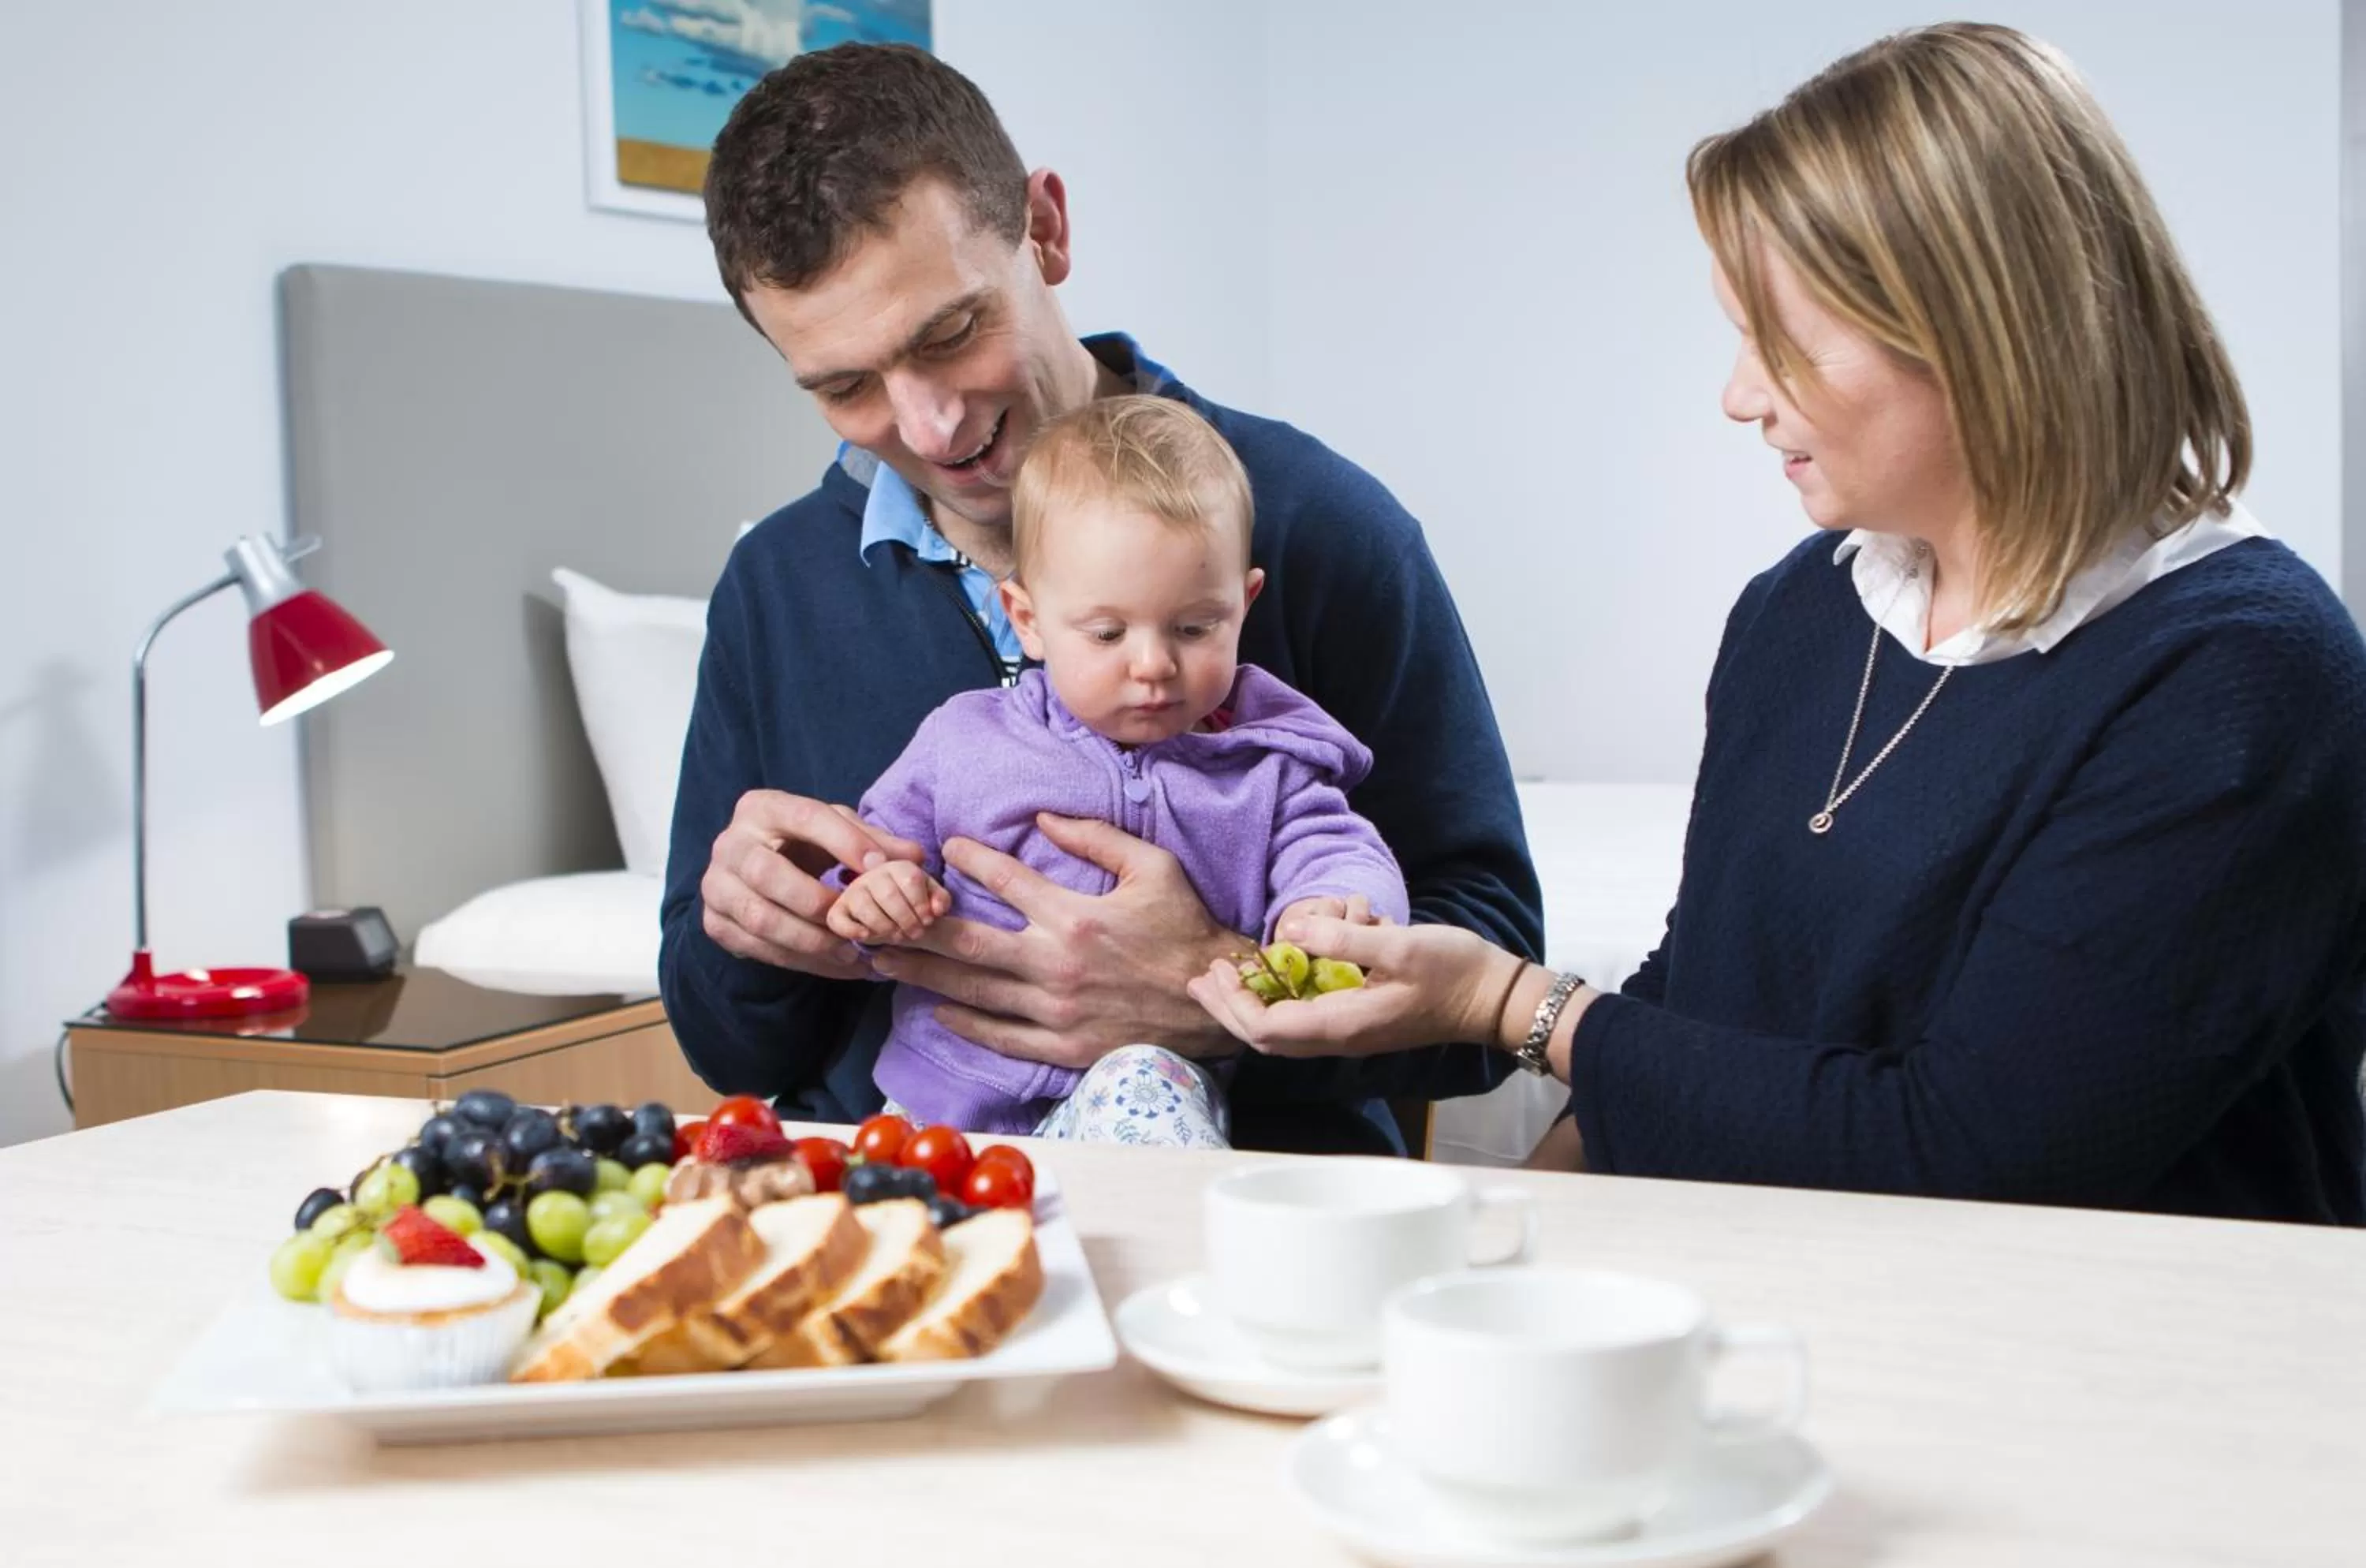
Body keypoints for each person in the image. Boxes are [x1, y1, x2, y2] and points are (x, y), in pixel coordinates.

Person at [1189, 22, 2366, 1225]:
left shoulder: (2243, 678)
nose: (1739, 396)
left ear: (1986, 331)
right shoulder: (1801, 610)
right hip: (1791, 1315)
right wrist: (1510, 1246)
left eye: (1785, 344)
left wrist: (1510, 1008)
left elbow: (1973, 1153)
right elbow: (1701, 1004)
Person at [660, 43, 1541, 1155]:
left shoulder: (1321, 524)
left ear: (1047, 230)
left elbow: (1496, 967)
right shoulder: (776, 587)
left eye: (949, 334)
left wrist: (1216, 988)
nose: (930, 427)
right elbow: (732, 1050)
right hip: (907, 1212)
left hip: (1245, 1222)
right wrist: (746, 937)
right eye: (845, 387)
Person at [826, 396, 1406, 1143]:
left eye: (1196, 627)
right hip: (946, 1107)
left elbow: (1338, 848)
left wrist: (1328, 907)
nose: (1154, 665)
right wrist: (872, 893)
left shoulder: (1271, 764)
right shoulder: (963, 740)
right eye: (1106, 633)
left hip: (1135, 1097)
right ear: (1027, 619)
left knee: (1144, 1086)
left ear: (1244, 604)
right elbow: (873, 850)